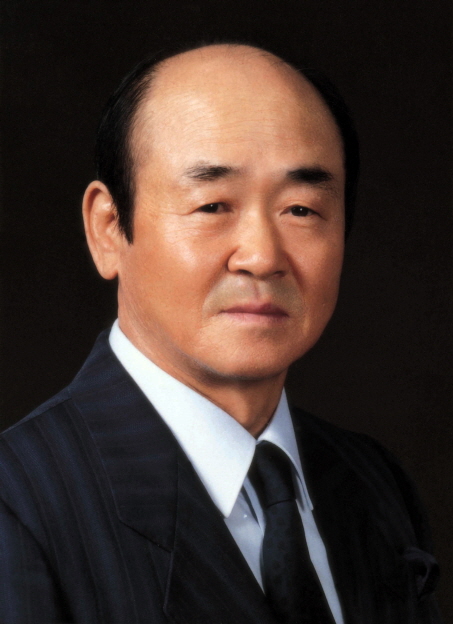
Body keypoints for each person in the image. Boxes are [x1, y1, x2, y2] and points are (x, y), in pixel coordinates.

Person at [0, 43, 442, 624]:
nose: (262, 256)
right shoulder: (18, 502)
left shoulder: (372, 482)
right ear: (108, 228)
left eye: (301, 209)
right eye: (212, 205)